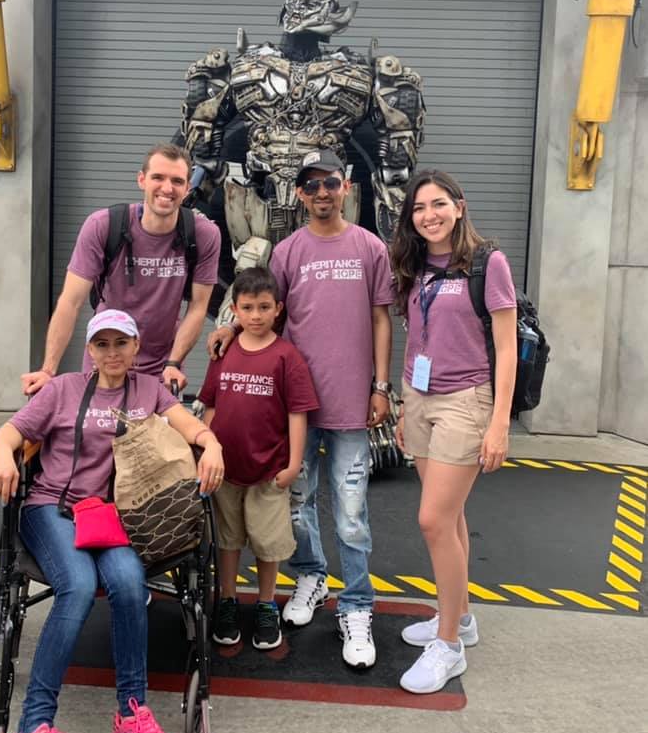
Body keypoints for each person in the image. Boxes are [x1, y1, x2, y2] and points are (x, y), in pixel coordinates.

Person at [0, 309, 225, 733]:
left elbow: (189, 427)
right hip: (50, 508)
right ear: (90, 350)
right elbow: (9, 433)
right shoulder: (63, 389)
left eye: (122, 343)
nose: (112, 352)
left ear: (137, 347)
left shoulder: (149, 390)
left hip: (111, 517)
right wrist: (0, 455)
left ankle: (131, 716)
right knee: (76, 585)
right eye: (102, 344)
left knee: (131, 584)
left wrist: (211, 444)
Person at [209, 149, 394, 669]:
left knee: (352, 513)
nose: (321, 193)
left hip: (352, 404)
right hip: (291, 406)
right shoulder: (288, 251)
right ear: (299, 193)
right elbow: (263, 306)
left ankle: (357, 606)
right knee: (297, 502)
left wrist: (380, 386)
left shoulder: (370, 248)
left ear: (347, 186)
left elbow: (382, 319)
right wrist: (227, 325)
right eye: (310, 185)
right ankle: (310, 576)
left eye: (329, 183)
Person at [391, 170, 517, 694]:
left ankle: (449, 646)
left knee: (432, 520)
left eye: (438, 204)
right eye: (419, 208)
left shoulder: (489, 263)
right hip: (420, 397)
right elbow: (416, 333)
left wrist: (499, 424)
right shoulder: (416, 264)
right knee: (452, 516)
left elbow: (507, 348)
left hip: (467, 401)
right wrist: (403, 404)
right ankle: (459, 616)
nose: (429, 215)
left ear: (459, 207)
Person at [21, 144, 221, 396]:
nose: (167, 188)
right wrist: (48, 370)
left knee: (157, 435)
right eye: (158, 177)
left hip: (161, 367)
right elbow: (70, 302)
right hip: (105, 360)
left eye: (177, 181)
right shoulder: (103, 226)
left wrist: (173, 363)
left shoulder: (203, 235)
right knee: (98, 432)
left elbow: (198, 308)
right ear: (141, 180)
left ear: (187, 188)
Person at [199, 267, 319, 651]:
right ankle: (229, 600)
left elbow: (297, 413)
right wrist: (203, 454)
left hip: (269, 471)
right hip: (225, 472)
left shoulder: (287, 357)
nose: (255, 316)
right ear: (234, 309)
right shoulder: (224, 352)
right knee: (228, 541)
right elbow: (211, 407)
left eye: (264, 307)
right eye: (247, 308)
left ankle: (267, 604)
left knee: (269, 545)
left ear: (278, 309)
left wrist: (294, 462)